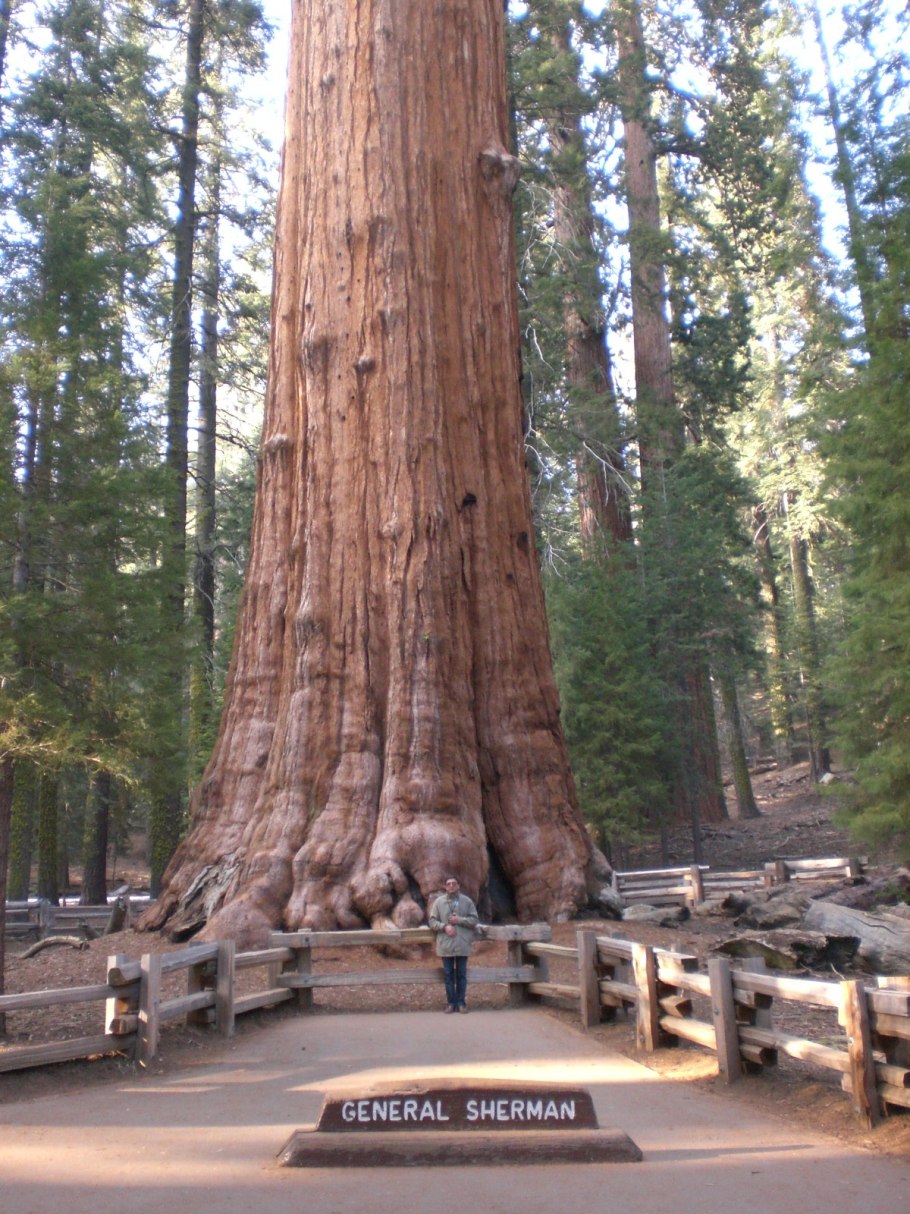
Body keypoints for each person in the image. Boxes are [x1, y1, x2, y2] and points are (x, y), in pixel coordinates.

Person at [428, 876, 478, 1013]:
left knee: (461, 974)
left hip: (462, 944)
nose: (451, 886)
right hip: (446, 944)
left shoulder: (467, 902)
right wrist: (444, 927)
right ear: (445, 887)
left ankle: (461, 1003)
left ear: (458, 885)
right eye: (448, 884)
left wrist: (459, 920)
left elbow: (474, 919)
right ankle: (451, 1003)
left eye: (453, 883)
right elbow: (432, 922)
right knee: (448, 975)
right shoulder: (438, 903)